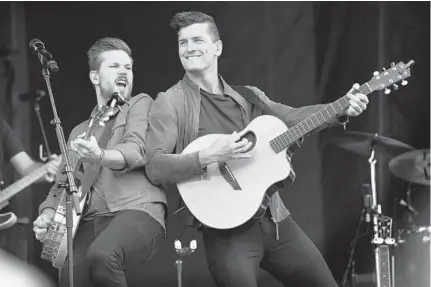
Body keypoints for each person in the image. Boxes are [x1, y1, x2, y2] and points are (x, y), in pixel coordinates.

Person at [145, 11, 369, 287]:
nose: (190, 48)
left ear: (217, 47)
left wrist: (342, 106)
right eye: (183, 43)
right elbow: (154, 166)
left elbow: (294, 118)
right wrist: (208, 155)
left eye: (197, 40)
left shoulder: (249, 96)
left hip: (276, 222)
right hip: (226, 235)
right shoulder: (170, 102)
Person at [32, 37, 166, 287]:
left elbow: (136, 151)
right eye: (114, 66)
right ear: (95, 77)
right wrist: (47, 212)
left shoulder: (140, 104)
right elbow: (61, 184)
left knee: (102, 255)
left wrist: (100, 156)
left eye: (128, 67)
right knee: (70, 276)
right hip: (90, 219)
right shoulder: (79, 132)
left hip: (136, 209)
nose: (124, 71)